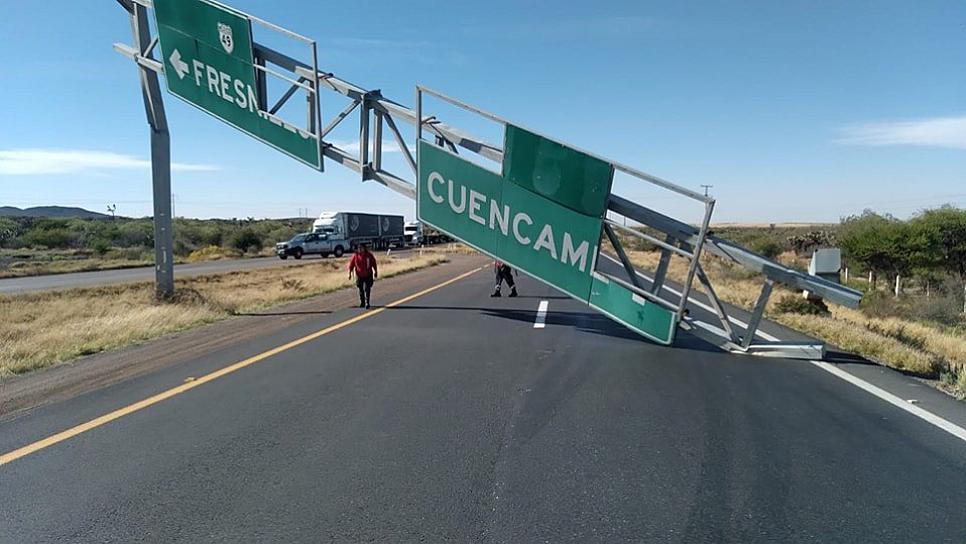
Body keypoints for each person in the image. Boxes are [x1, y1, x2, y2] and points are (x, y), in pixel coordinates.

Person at [348, 243, 378, 309]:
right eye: (359, 248)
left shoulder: (369, 255)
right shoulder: (355, 256)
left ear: (364, 248)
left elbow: (374, 263)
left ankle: (367, 302)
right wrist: (350, 274)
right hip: (359, 275)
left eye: (361, 248)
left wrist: (375, 271)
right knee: (360, 288)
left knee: (367, 288)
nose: (360, 249)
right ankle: (362, 302)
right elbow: (351, 265)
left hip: (368, 274)